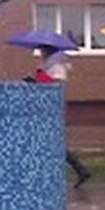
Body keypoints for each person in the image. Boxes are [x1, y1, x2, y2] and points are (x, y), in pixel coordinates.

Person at [35, 46, 92, 188]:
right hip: (46, 106)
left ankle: (79, 170)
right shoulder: (48, 64)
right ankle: (80, 170)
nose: (40, 53)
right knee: (51, 141)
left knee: (51, 140)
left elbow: (56, 85)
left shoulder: (56, 66)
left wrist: (42, 80)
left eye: (42, 50)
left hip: (53, 107)